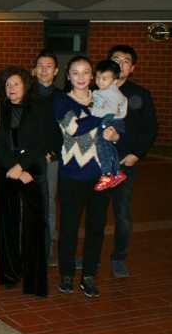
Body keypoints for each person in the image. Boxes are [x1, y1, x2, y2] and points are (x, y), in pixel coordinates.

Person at [54, 56, 120, 299]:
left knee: (96, 228)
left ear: (92, 76)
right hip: (71, 174)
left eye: (85, 73)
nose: (81, 77)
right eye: (75, 73)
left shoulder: (102, 98)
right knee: (69, 228)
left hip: (100, 176)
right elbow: (74, 128)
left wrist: (115, 136)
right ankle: (67, 275)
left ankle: (89, 276)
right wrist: (102, 116)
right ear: (68, 76)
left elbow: (118, 127)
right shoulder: (61, 101)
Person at [0, 67, 50, 297]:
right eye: (8, 85)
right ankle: (10, 274)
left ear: (25, 85)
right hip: (6, 173)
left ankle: (34, 280)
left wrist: (22, 167)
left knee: (33, 227)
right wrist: (12, 167)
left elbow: (42, 142)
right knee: (7, 226)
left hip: (31, 171)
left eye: (16, 84)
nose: (11, 89)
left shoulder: (38, 108)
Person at [107, 45, 157, 278]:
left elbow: (150, 130)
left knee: (122, 213)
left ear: (132, 67)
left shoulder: (140, 94)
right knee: (93, 213)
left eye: (125, 60)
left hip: (123, 163)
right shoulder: (95, 90)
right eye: (115, 59)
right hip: (95, 163)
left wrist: (136, 154)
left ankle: (119, 257)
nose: (120, 63)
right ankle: (90, 254)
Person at [32, 50, 62, 266]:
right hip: (27, 160)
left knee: (48, 203)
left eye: (48, 66)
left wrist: (53, 152)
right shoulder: (24, 95)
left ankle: (46, 250)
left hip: (51, 159)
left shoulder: (62, 97)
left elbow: (64, 132)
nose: (44, 70)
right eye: (40, 65)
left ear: (56, 71)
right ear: (34, 70)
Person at [92, 59, 128, 191]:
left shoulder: (111, 93)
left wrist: (91, 109)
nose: (100, 81)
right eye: (98, 77)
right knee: (108, 146)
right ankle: (117, 172)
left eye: (104, 78)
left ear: (114, 81)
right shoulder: (107, 91)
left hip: (110, 121)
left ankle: (107, 174)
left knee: (101, 145)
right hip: (113, 121)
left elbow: (109, 111)